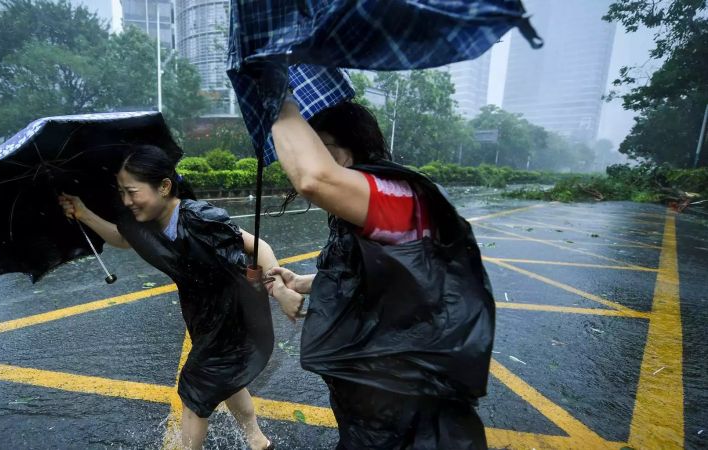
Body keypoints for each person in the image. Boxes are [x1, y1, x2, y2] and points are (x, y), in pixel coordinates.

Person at [266, 98, 496, 449]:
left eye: (319, 145)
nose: (308, 155)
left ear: (351, 147)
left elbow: (312, 179)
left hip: (412, 409)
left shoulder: (397, 198)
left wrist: (277, 99)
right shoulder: (357, 208)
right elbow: (372, 276)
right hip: (372, 400)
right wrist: (304, 283)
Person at [58, 145, 302, 450]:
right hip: (202, 314)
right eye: (121, 192)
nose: (126, 201)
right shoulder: (144, 224)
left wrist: (280, 291)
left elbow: (259, 247)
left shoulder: (199, 217)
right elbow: (123, 237)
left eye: (132, 191)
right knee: (224, 378)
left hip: (236, 313)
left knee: (194, 387)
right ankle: (257, 440)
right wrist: (83, 212)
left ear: (164, 186)